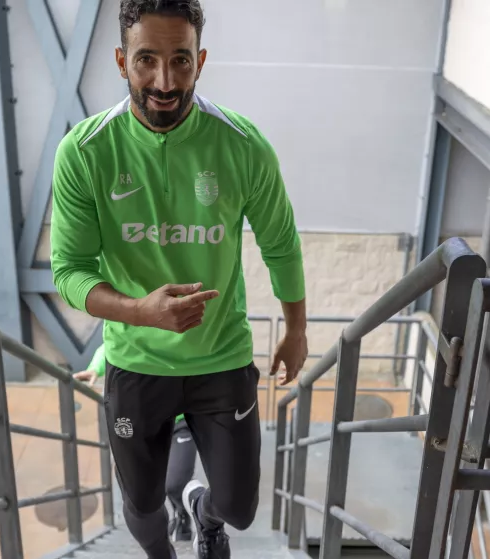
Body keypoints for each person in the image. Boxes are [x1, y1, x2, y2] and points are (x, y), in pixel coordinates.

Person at [50, 1, 309, 557]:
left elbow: (280, 242)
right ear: (122, 62)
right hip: (137, 362)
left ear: (201, 60)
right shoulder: (85, 152)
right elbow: (69, 272)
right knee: (142, 508)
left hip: (221, 356)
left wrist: (296, 328)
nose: (164, 81)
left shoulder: (242, 144)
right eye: (147, 60)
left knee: (239, 508)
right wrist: (141, 312)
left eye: (181, 61)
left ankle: (203, 514)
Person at [74, 343, 197, 542]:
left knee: (174, 483)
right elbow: (114, 342)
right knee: (141, 488)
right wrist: (95, 367)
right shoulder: (143, 326)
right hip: (144, 422)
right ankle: (160, 535)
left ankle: (182, 515)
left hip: (181, 420)